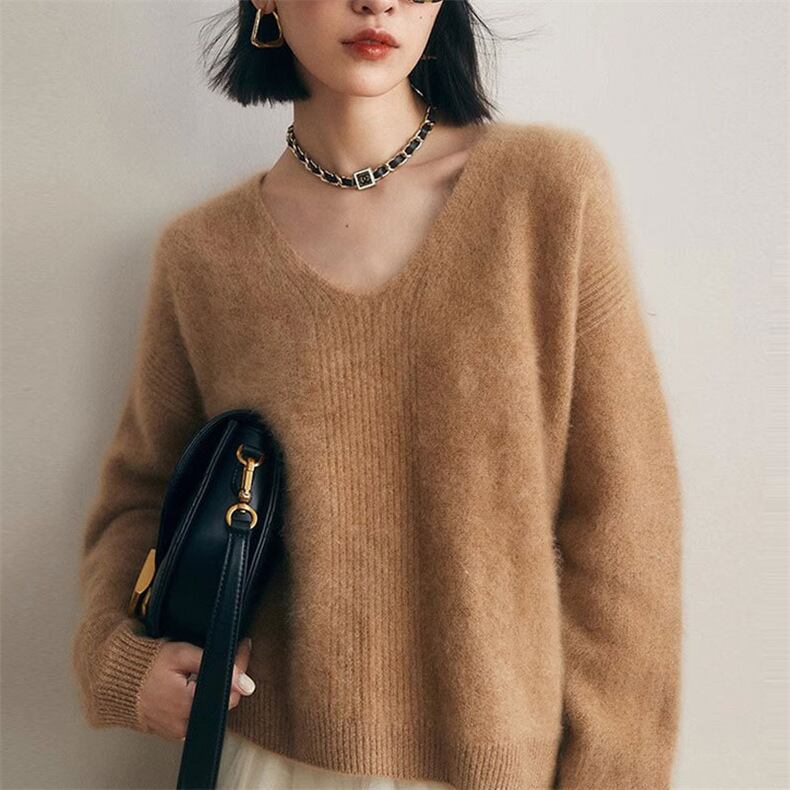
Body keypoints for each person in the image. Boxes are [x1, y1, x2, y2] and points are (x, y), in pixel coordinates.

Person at [71, 1, 684, 789]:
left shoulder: (547, 191)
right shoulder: (204, 255)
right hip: (276, 762)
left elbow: (627, 522)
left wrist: (615, 773)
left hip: (503, 766)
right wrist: (121, 664)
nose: (379, 3)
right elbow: (141, 495)